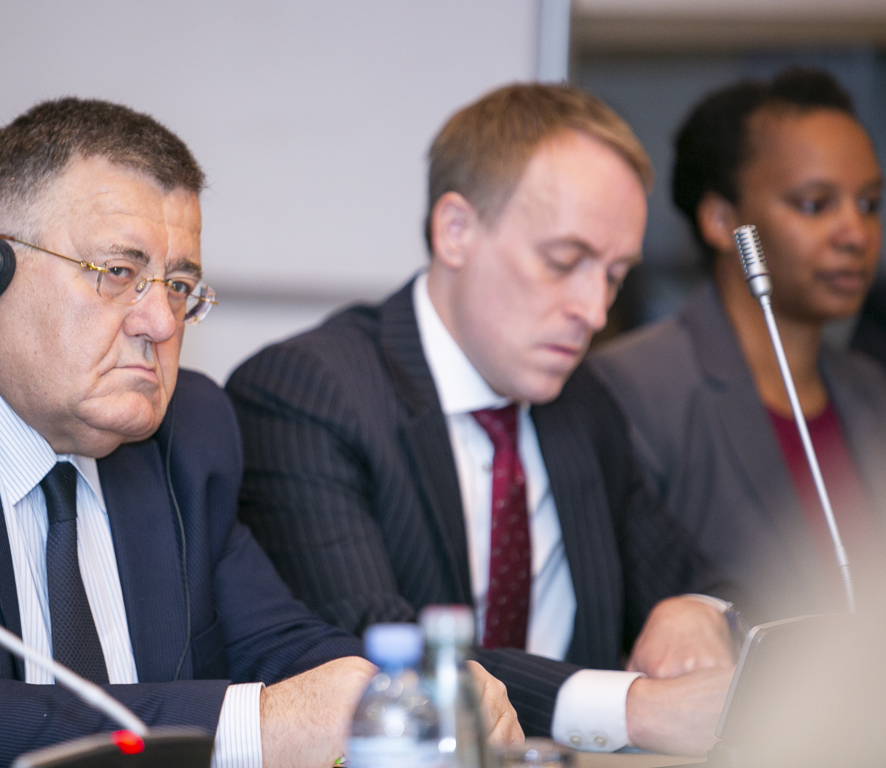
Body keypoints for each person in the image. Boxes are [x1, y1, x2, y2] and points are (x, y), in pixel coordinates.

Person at [0, 98, 522, 768]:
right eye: (116, 272)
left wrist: (406, 693)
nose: (161, 324)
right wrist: (255, 726)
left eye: (179, 286)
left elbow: (278, 646)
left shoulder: (187, 430)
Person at [227, 83, 739, 757]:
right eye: (564, 262)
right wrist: (631, 708)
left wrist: (693, 609)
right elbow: (373, 660)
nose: (594, 310)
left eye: (614, 275)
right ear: (456, 231)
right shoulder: (307, 393)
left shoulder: (582, 403)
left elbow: (703, 581)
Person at [590, 68, 886, 622]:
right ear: (721, 219)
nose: (856, 234)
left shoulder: (871, 390)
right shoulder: (632, 389)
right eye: (815, 204)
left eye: (869, 204)